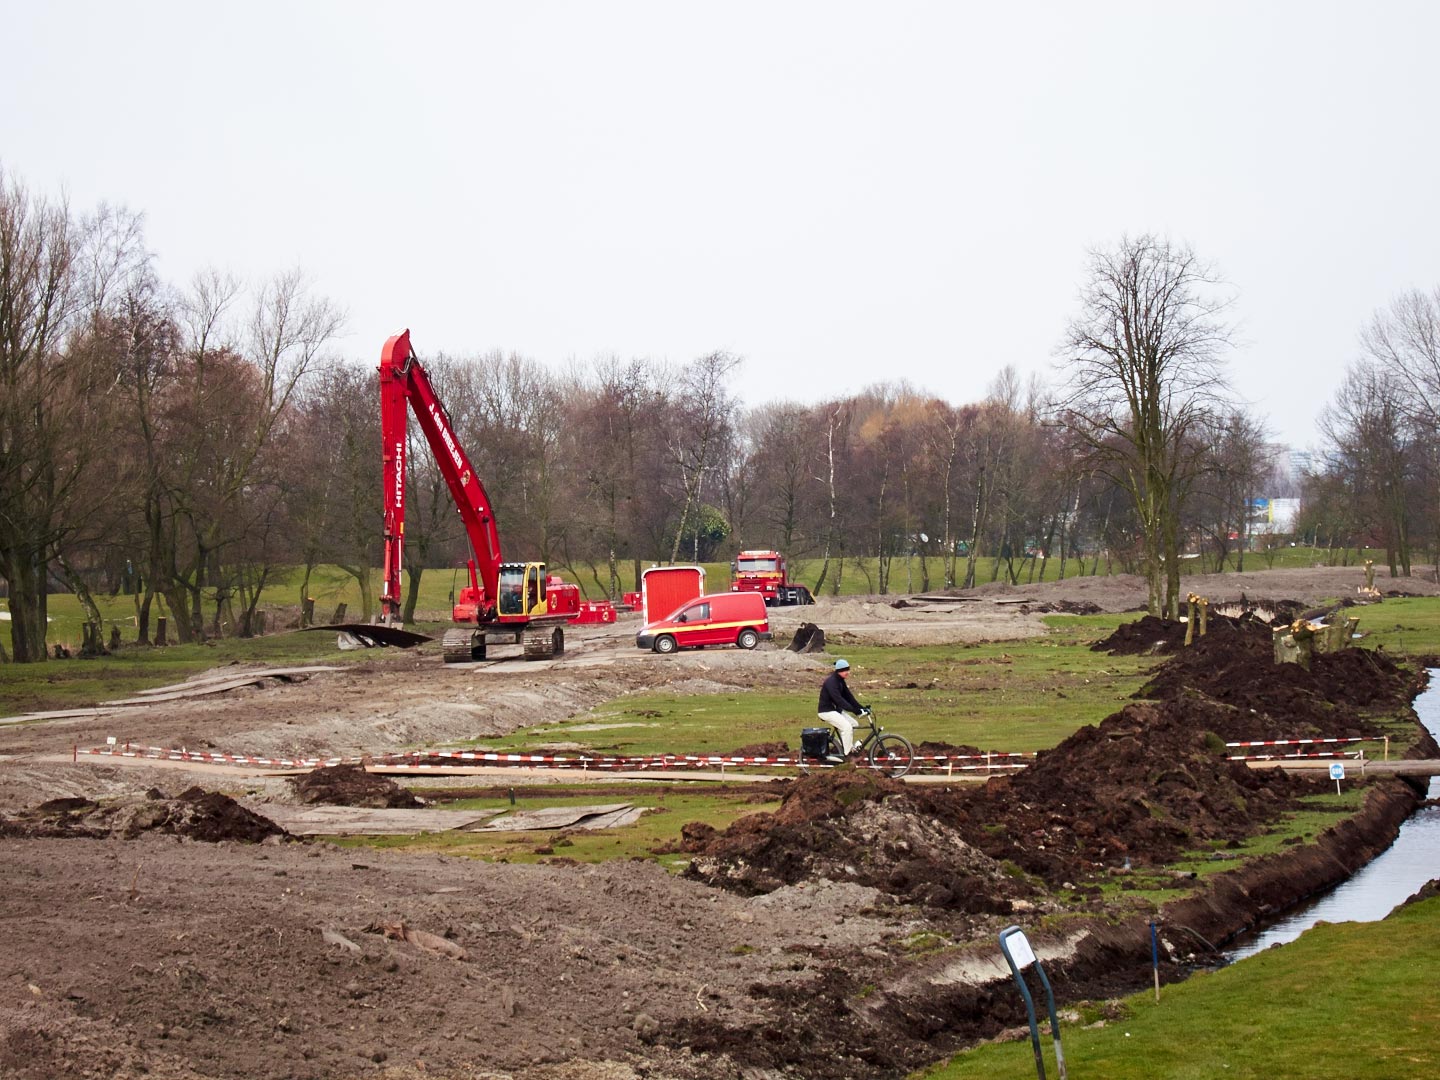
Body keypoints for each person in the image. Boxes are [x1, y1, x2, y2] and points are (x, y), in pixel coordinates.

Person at [817, 658, 868, 763]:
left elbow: (849, 697)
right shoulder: (831, 682)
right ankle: (848, 755)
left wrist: (861, 708)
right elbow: (839, 700)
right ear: (839, 671)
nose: (847, 673)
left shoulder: (840, 681)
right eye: (845, 670)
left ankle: (845, 746)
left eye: (848, 670)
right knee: (846, 727)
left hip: (835, 710)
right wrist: (855, 711)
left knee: (854, 724)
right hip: (826, 711)